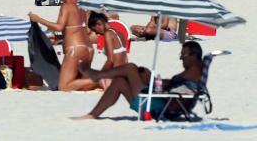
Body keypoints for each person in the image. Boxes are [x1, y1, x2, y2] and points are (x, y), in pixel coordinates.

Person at [75, 41, 204, 120]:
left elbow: (177, 94)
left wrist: (157, 84)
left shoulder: (194, 71)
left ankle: (97, 75)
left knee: (131, 68)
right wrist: (155, 81)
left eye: (183, 55)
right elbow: (176, 87)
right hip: (159, 102)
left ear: (193, 56)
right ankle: (92, 114)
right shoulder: (193, 71)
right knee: (120, 81)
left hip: (160, 108)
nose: (181, 58)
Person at [29, 0, 97, 91]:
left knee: (64, 86)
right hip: (88, 49)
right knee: (78, 83)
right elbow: (79, 30)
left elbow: (59, 27)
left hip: (75, 50)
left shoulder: (67, 6)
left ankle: (102, 80)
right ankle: (101, 79)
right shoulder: (81, 8)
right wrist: (60, 38)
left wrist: (38, 19)